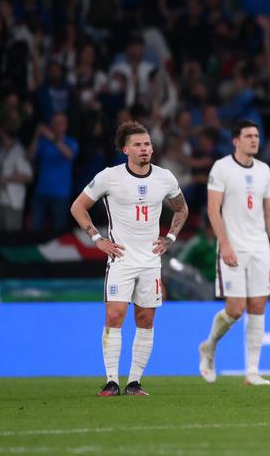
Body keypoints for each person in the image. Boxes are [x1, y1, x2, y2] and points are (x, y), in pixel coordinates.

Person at [69, 121, 189, 396]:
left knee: (145, 318)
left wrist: (169, 238)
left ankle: (134, 382)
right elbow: (78, 207)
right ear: (125, 150)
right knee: (115, 314)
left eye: (147, 144)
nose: (144, 149)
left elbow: (181, 210)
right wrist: (97, 239)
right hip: (121, 259)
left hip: (150, 260)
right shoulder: (109, 177)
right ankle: (111, 381)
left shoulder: (165, 178)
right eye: (137, 145)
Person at [198, 119, 270, 386]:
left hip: (259, 247)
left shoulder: (264, 170)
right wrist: (224, 244)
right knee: (235, 310)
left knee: (258, 305)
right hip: (233, 246)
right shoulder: (221, 168)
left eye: (256, 135)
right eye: (248, 136)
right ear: (236, 141)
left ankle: (252, 371)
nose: (254, 140)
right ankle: (209, 346)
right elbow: (213, 208)